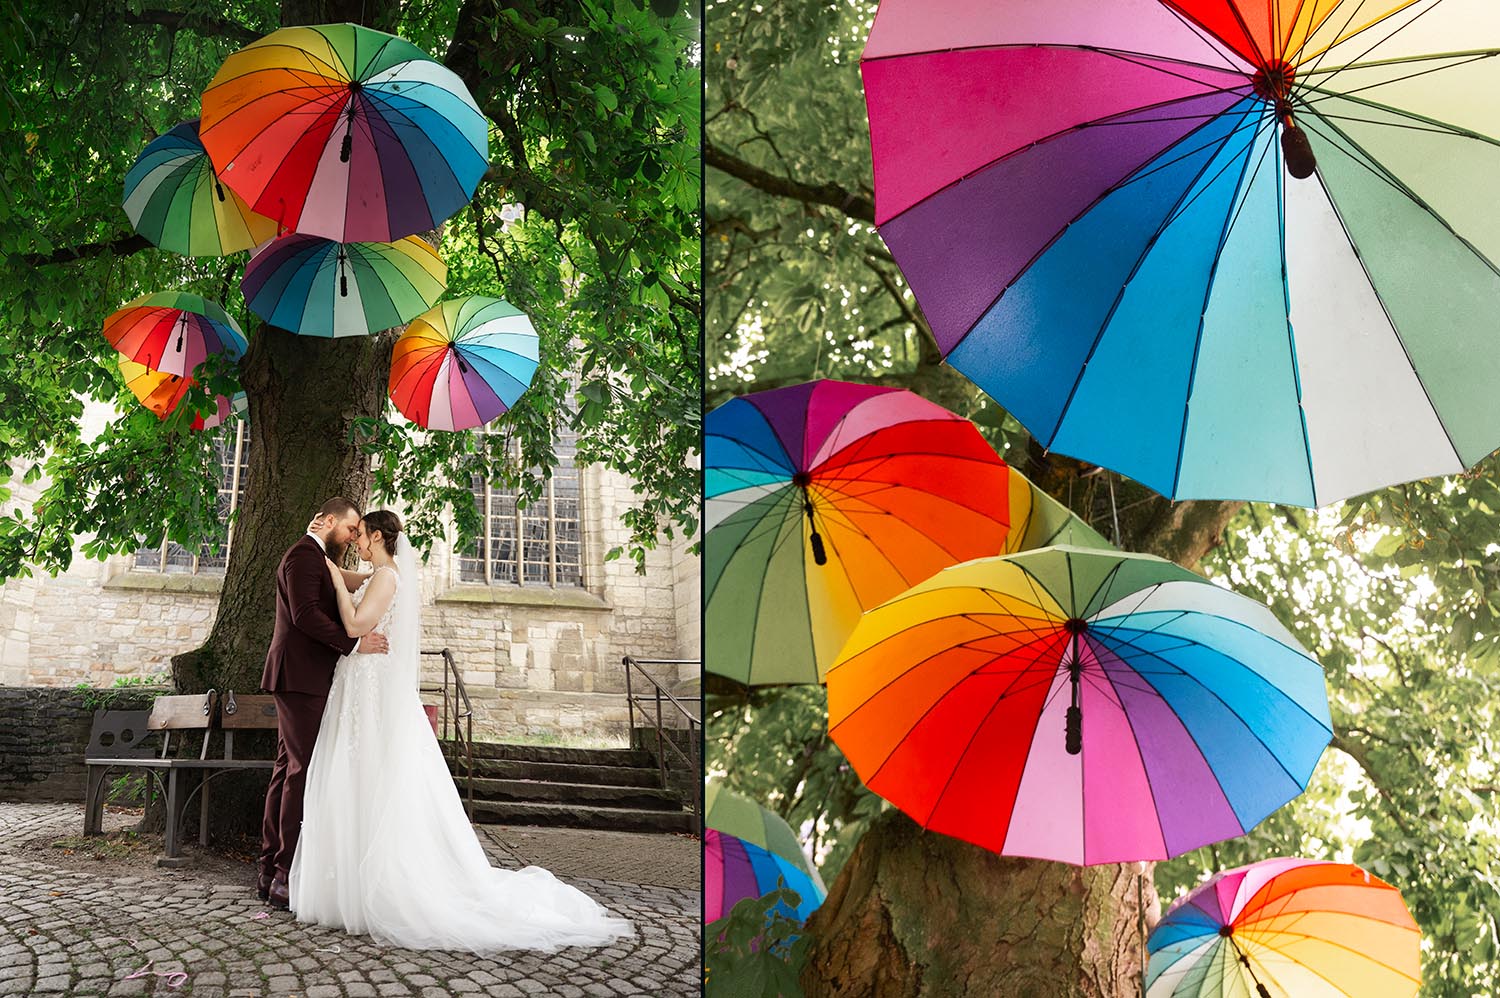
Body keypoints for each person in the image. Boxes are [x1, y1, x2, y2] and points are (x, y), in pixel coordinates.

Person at [288, 509, 632, 953]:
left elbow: (356, 626)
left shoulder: (387, 578)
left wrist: (335, 581)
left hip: (368, 685)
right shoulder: (379, 575)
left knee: (370, 776)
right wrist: (336, 569)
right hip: (359, 686)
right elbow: (359, 591)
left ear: (376, 536)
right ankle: (348, 884)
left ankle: (374, 886)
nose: (355, 541)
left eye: (360, 534)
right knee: (355, 778)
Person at [259, 498, 389, 911]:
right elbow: (304, 615)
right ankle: (283, 874)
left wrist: (382, 571)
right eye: (350, 529)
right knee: (301, 771)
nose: (353, 537)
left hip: (302, 677)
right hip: (301, 677)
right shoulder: (303, 555)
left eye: (359, 533)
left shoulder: (315, 556)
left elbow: (347, 580)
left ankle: (269, 867)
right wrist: (354, 643)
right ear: (329, 521)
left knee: (286, 770)